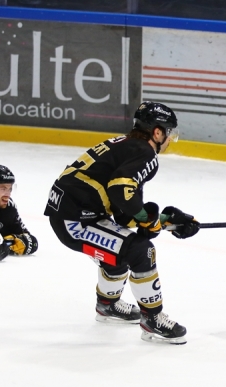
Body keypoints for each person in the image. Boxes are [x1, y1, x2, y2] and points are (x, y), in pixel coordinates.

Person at [43, 101, 201, 344]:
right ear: (157, 132)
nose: (170, 139)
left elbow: (123, 212)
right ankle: (153, 320)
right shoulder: (145, 153)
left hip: (75, 214)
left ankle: (107, 305)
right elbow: (121, 192)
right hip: (75, 221)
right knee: (140, 251)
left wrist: (165, 221)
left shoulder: (126, 145)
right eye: (168, 132)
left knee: (120, 249)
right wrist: (147, 220)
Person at [0, 164, 38, 262]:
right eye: (3, 189)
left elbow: (29, 240)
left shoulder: (8, 208)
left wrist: (20, 243)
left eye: (10, 189)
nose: (8, 195)